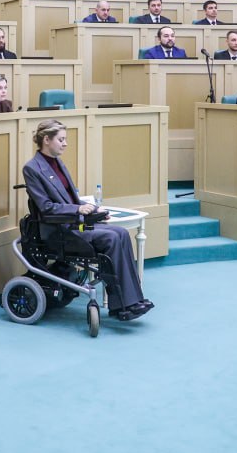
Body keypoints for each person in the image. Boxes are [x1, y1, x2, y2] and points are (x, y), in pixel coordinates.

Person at [23, 119, 152, 321]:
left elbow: (71, 199)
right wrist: (78, 209)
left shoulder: (58, 163)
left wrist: (94, 209)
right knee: (111, 238)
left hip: (74, 223)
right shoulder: (32, 168)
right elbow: (46, 207)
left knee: (121, 233)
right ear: (46, 140)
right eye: (61, 139)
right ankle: (124, 304)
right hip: (59, 231)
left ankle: (131, 300)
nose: (65, 144)